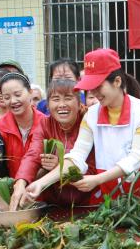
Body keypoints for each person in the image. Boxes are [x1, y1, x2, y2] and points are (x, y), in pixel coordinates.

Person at [22, 48, 140, 207]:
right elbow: (77, 155)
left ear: (117, 82)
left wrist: (97, 179)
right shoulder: (92, 114)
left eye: (98, 86)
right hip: (108, 189)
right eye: (90, 88)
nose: (94, 93)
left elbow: (135, 159)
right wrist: (41, 183)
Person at [12, 79, 93, 208]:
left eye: (68, 98)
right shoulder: (45, 124)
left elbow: (92, 169)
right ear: (48, 106)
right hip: (53, 203)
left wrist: (59, 166)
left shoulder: (89, 121)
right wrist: (20, 182)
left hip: (88, 202)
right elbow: (33, 155)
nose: (62, 104)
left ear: (79, 104)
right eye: (55, 99)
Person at [0, 72, 46, 180]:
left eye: (18, 95)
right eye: (7, 97)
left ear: (30, 93)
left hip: (42, 192)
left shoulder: (47, 123)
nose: (13, 101)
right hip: (11, 192)